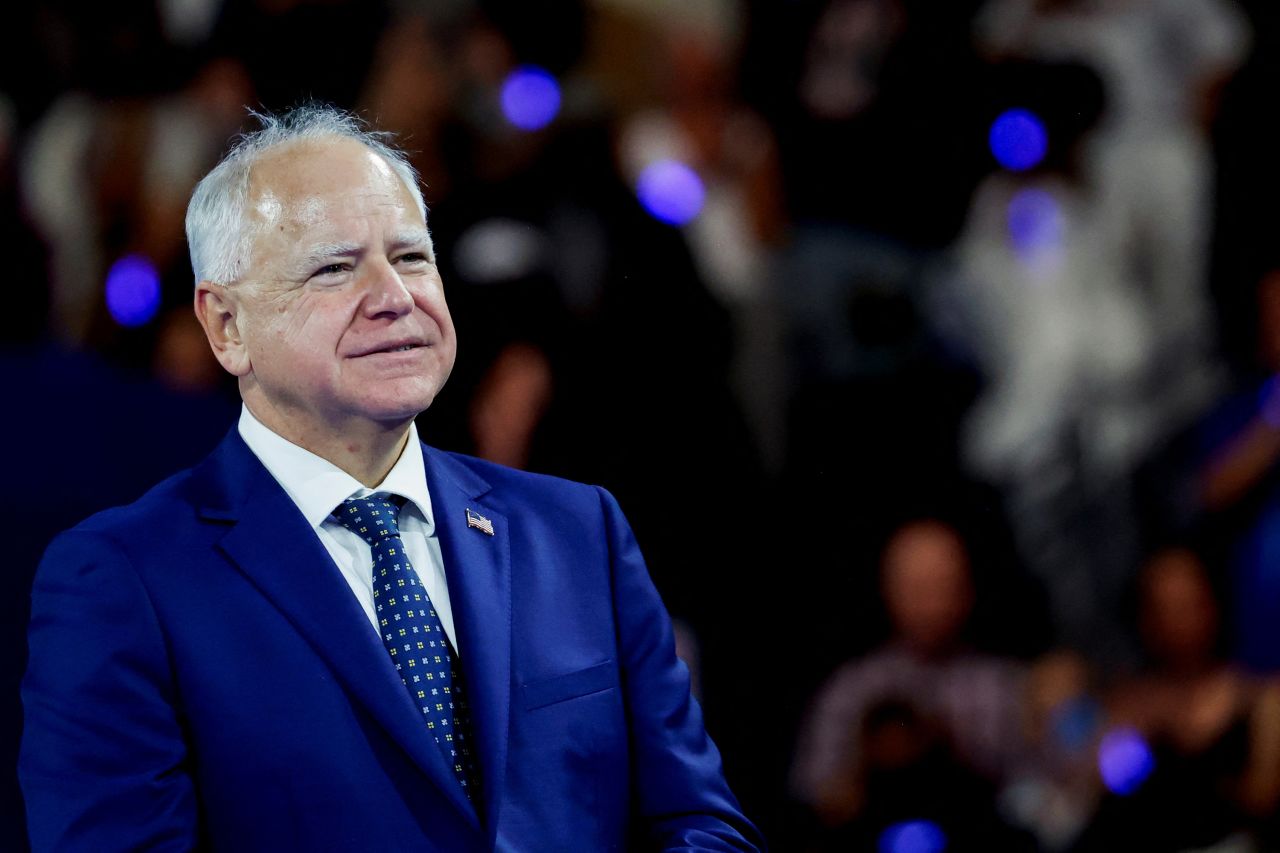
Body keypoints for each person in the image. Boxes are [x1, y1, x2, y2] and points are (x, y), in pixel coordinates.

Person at [18, 105, 764, 852]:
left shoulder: (580, 533)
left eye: (411, 257)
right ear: (226, 326)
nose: (395, 296)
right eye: (335, 267)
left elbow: (703, 824)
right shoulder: (123, 581)